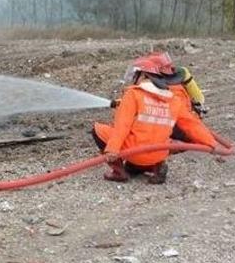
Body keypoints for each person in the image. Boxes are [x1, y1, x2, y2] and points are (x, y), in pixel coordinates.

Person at [92, 52, 225, 184]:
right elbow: (192, 125)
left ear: (144, 75)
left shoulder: (133, 94)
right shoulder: (173, 100)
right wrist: (212, 144)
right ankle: (155, 166)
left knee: (98, 129)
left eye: (136, 74)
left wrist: (113, 148)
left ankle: (118, 172)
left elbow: (122, 125)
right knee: (153, 141)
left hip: (135, 152)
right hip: (158, 154)